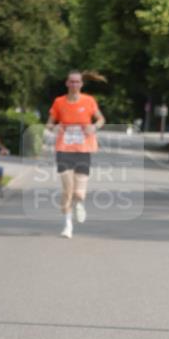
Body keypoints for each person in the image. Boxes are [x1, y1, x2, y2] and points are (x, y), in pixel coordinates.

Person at [46, 70, 106, 238]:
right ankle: (68, 226)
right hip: (64, 149)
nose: (74, 84)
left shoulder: (89, 101)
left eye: (77, 82)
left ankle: (80, 203)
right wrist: (55, 127)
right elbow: (49, 124)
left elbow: (101, 119)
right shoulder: (59, 102)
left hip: (83, 150)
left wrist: (94, 127)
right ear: (67, 83)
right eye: (71, 81)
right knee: (68, 190)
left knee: (79, 193)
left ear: (81, 84)